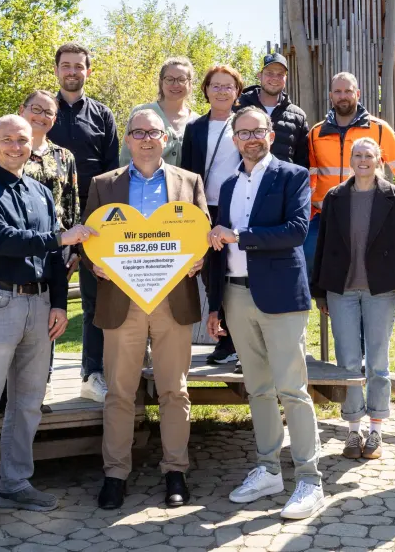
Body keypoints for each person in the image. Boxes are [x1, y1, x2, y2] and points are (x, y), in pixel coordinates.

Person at [0, 114, 99, 537]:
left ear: (32, 145)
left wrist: (58, 303)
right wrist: (62, 238)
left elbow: (55, 257)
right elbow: (1, 240)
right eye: (7, 139)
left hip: (40, 307)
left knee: (28, 403)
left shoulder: (40, 191)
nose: (16, 146)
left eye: (22, 140)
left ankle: (15, 483)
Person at [84, 108, 208, 510]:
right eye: (138, 132)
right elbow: (89, 241)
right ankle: (115, 475)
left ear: (165, 138)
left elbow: (201, 237)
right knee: (120, 393)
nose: (146, 139)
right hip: (123, 302)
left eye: (153, 131)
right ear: (128, 140)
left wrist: (200, 258)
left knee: (175, 391)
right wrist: (94, 263)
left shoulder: (190, 182)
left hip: (173, 302)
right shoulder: (103, 185)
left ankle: (176, 471)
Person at [205, 107, 325, 519]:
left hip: (281, 297)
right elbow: (218, 249)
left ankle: (310, 479)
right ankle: (269, 469)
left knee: (292, 389)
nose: (251, 138)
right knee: (257, 389)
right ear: (234, 139)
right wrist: (216, 303)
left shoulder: (291, 175)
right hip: (236, 296)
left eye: (258, 131)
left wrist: (240, 235)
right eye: (243, 133)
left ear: (271, 135)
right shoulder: (227, 183)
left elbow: (296, 230)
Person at [310, 137, 395, 461]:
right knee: (348, 362)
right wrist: (320, 291)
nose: (363, 160)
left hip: (381, 290)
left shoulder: (393, 197)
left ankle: (377, 429)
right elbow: (323, 246)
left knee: (378, 362)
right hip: (341, 290)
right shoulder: (335, 197)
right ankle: (353, 430)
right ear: (351, 161)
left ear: (378, 159)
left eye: (369, 155)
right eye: (358, 155)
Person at [0, 90, 80, 416]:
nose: (41, 116)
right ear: (23, 110)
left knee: (48, 321)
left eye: (48, 112)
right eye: (35, 109)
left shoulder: (64, 156)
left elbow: (71, 200)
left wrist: (74, 247)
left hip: (57, 248)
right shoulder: (7, 146)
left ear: (55, 119)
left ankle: (37, 392)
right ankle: (0, 398)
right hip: (12, 252)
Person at [45, 42, 120, 404]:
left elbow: (112, 176)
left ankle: (92, 374)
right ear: (57, 70)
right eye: (66, 66)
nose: (72, 71)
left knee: (94, 302)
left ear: (89, 71)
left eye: (79, 66)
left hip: (94, 225)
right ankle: (37, 378)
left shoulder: (103, 115)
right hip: (48, 224)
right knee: (44, 303)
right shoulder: (43, 111)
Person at [305, 72, 395, 274]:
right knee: (313, 269)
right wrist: (311, 207)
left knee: (366, 272)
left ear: (358, 93)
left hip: (368, 213)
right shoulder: (315, 132)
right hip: (324, 216)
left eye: (348, 91)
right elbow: (312, 174)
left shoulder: (379, 128)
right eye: (337, 91)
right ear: (330, 96)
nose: (343, 96)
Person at [182, 65, 245, 367]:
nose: (221, 91)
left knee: (238, 273)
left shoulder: (245, 123)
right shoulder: (194, 128)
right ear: (206, 90)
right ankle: (224, 339)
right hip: (204, 209)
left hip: (239, 208)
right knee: (210, 275)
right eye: (215, 86)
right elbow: (184, 171)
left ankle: (243, 340)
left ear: (237, 92)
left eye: (228, 86)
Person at [235, 52, 310, 168]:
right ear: (260, 75)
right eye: (269, 73)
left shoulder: (298, 116)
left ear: (286, 78)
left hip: (283, 184)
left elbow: (302, 161)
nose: (275, 78)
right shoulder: (239, 106)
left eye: (280, 74)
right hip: (245, 181)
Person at [120, 56, 198, 167]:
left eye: (181, 79)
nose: (175, 84)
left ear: (190, 83)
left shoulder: (198, 121)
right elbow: (126, 157)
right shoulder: (141, 112)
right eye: (169, 79)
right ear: (161, 82)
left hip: (184, 184)